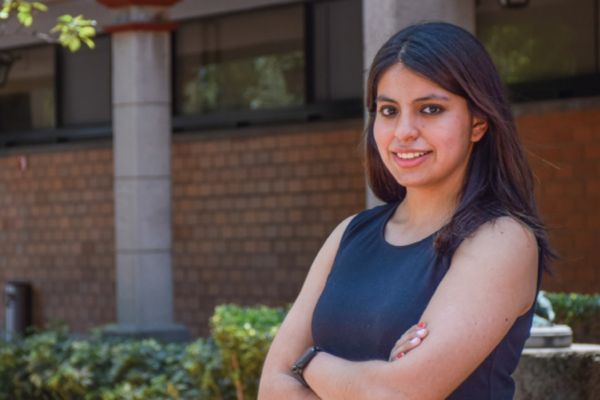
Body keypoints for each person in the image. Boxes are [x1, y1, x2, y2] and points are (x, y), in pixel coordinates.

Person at [258, 21, 554, 400]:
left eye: (430, 109)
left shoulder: (501, 239)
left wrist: (309, 363)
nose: (403, 131)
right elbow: (272, 388)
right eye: (388, 110)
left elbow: (397, 395)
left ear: (478, 122)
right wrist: (375, 381)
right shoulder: (349, 234)